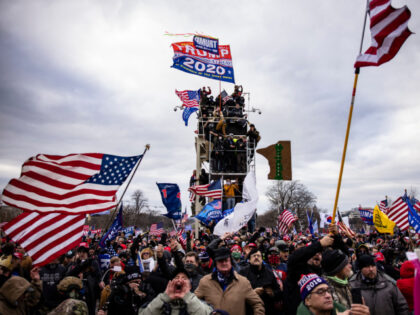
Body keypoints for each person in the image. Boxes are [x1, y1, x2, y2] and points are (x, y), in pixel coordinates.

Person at [195, 246, 265, 315]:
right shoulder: (205, 281)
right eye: (220, 261)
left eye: (226, 260)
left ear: (230, 262)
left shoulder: (243, 282)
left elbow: (257, 303)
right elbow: (194, 303)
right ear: (216, 263)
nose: (224, 263)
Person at [139, 267, 213, 314]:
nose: (180, 280)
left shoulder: (200, 304)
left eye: (184, 278)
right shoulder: (160, 301)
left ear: (190, 285)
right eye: (176, 277)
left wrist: (188, 296)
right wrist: (165, 296)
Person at [296, 273, 369, 315]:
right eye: (320, 292)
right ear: (308, 301)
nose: (328, 295)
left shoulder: (343, 311)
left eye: (328, 290)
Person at [239, 248, 281, 314]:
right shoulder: (243, 273)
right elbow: (237, 294)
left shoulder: (269, 273)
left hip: (267, 310)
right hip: (249, 310)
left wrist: (272, 293)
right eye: (254, 256)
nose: (256, 257)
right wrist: (253, 293)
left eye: (258, 256)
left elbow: (278, 291)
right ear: (249, 260)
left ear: (262, 259)